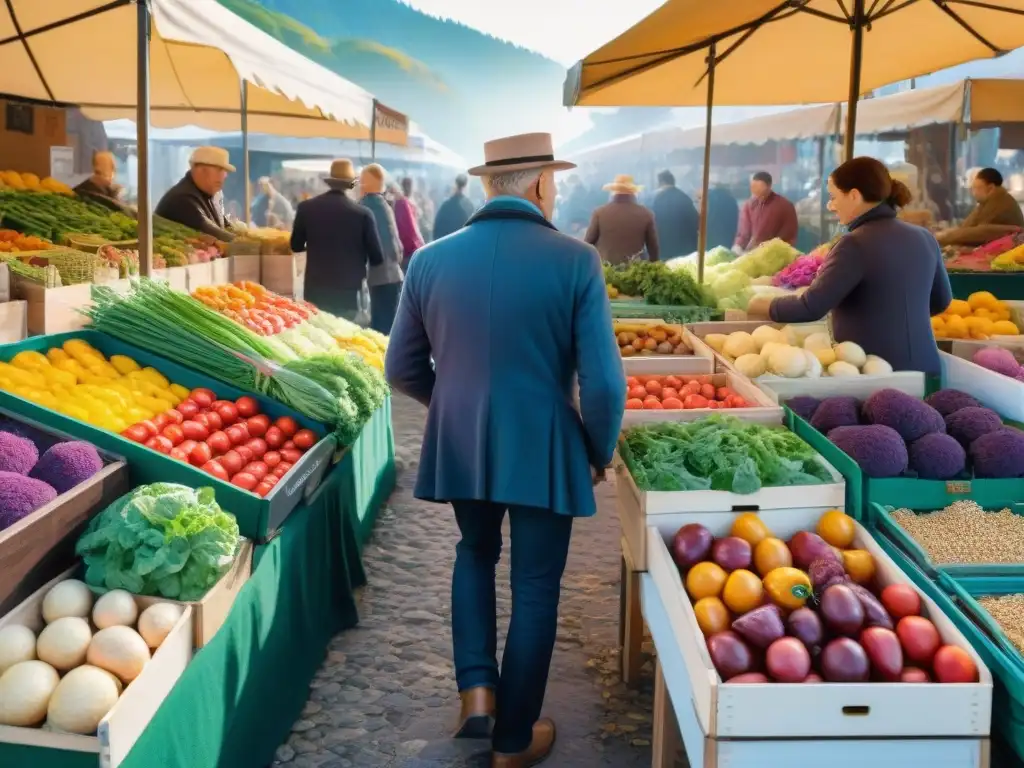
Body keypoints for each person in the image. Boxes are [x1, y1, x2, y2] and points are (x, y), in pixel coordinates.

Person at [384, 132, 626, 768]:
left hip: (463, 436)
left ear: (490, 185)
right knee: (537, 586)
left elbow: (401, 367)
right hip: (545, 439)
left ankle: (478, 695)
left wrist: (454, 404)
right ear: (542, 185)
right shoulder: (576, 260)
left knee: (474, 551)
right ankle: (514, 741)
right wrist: (597, 449)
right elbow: (603, 382)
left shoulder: (430, 260)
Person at [747, 156, 952, 375]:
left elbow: (810, 307)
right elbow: (941, 301)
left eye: (834, 197)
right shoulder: (924, 237)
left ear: (854, 195)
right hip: (928, 367)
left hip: (876, 372)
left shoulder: (854, 243)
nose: (831, 205)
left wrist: (754, 305)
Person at [290, 159, 384, 319]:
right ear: (351, 184)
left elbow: (296, 245)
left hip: (315, 290)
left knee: (317, 339)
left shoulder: (306, 208)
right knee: (344, 340)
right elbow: (377, 258)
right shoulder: (363, 215)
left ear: (330, 181)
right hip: (348, 295)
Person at [358, 163, 405, 334]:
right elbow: (397, 246)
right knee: (390, 331)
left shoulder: (365, 207)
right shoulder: (385, 205)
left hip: (379, 278)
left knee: (381, 333)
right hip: (394, 275)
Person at [154, 147, 236, 241]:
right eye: (220, 169)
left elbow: (225, 227)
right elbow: (216, 234)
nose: (225, 176)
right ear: (201, 170)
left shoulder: (208, 196)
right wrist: (248, 244)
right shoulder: (182, 199)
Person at [937, 167, 1024, 246]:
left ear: (990, 188)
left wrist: (944, 237)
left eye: (976, 188)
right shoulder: (992, 201)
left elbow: (978, 233)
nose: (973, 193)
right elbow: (967, 227)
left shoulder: (1000, 203)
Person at [584, 175, 660, 264]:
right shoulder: (646, 214)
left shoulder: (599, 213)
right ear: (634, 193)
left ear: (613, 192)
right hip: (635, 270)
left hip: (605, 270)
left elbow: (588, 244)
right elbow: (653, 249)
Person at [734, 171, 798, 252]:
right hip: (751, 254)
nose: (758, 191)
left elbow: (789, 234)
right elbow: (743, 232)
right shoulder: (749, 205)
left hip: (776, 255)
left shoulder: (785, 206)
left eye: (761, 187)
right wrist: (738, 245)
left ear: (769, 186)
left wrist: (769, 248)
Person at [651, 170, 699, 259]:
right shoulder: (684, 197)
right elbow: (696, 222)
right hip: (685, 252)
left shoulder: (655, 199)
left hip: (664, 251)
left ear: (662, 182)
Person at [432, 174, 476, 240]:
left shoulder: (445, 206)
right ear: (467, 186)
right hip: (464, 245)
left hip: (446, 245)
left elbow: (437, 230)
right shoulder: (469, 206)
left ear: (454, 185)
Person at [394, 176, 426, 268]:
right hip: (410, 248)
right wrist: (421, 244)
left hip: (405, 248)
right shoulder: (404, 203)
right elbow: (412, 228)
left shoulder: (401, 202)